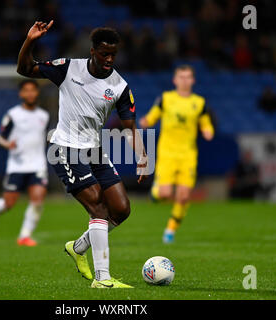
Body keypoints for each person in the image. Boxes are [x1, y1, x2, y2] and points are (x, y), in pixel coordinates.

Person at [17, 21, 149, 288]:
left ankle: (77, 248)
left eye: (113, 54)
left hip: (95, 150)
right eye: (104, 54)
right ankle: (102, 279)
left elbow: (129, 127)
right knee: (98, 207)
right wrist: (30, 40)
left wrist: (143, 156)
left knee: (121, 210)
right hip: (65, 147)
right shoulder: (68, 68)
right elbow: (25, 69)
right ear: (93, 51)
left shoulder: (120, 87)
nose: (109, 59)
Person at [139, 65, 214, 243]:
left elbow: (205, 122)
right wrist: (146, 121)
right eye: (181, 77)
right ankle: (155, 192)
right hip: (167, 153)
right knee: (165, 194)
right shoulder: (166, 99)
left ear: (193, 80)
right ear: (175, 80)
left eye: (188, 77)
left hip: (188, 154)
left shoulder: (199, 102)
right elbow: (152, 117)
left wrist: (208, 130)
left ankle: (170, 230)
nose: (184, 80)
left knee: (184, 196)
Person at [0, 80, 49, 247]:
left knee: (37, 200)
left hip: (38, 165)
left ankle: (24, 236)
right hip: (17, 166)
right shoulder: (13, 115)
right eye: (26, 90)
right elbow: (0, 137)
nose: (30, 93)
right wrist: (7, 144)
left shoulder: (43, 116)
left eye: (33, 90)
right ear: (20, 94)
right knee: (8, 203)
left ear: (37, 93)